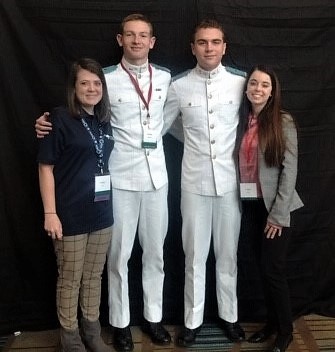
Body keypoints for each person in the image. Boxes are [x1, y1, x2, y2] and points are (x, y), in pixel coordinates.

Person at [35, 14, 172, 352]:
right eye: (130, 35)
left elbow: (180, 118)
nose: (137, 41)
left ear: (152, 41)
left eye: (143, 36)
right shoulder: (105, 78)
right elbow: (69, 118)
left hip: (156, 179)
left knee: (155, 255)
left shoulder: (169, 79)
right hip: (118, 181)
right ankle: (121, 325)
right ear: (120, 39)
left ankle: (152, 318)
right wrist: (43, 123)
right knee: (116, 259)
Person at [162, 19, 246, 347]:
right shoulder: (178, 86)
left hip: (231, 184)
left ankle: (229, 317)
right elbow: (161, 125)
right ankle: (192, 321)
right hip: (193, 184)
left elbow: (260, 119)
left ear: (224, 47)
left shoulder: (241, 84)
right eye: (202, 42)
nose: (209, 48)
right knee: (194, 256)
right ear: (193, 47)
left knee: (228, 255)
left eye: (215, 42)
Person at [37, 58, 114, 352]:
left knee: (94, 276)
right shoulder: (58, 118)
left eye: (97, 83)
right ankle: (70, 340)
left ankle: (92, 334)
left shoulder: (104, 120)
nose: (91, 88)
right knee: (70, 278)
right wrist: (50, 213)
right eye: (84, 83)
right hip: (68, 215)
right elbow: (46, 167)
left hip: (102, 213)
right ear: (74, 87)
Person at [234, 65, 304, 352]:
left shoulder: (282, 121)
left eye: (264, 85)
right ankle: (272, 323)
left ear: (272, 91)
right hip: (251, 205)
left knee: (273, 270)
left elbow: (290, 170)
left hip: (276, 207)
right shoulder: (242, 120)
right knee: (262, 269)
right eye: (253, 83)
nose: (258, 89)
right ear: (247, 87)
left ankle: (285, 331)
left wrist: (277, 214)